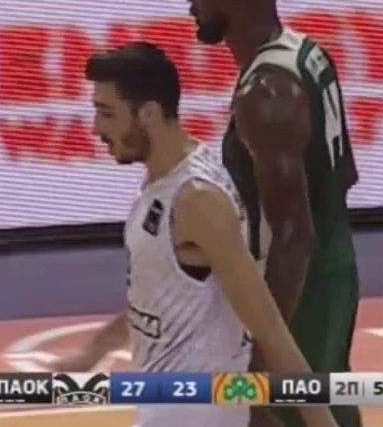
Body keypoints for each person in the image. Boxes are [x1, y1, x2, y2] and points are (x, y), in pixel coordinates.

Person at [52, 42, 339, 427]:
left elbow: (268, 325)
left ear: (149, 113)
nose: (95, 128)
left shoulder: (197, 201)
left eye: (107, 113)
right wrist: (92, 353)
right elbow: (158, 294)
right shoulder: (166, 181)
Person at [188, 0, 363, 427]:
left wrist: (265, 350)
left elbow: (293, 235)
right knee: (327, 405)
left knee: (281, 412)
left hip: (298, 282)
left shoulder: (266, 92)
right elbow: (344, 176)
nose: (190, 2)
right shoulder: (307, 53)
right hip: (334, 263)